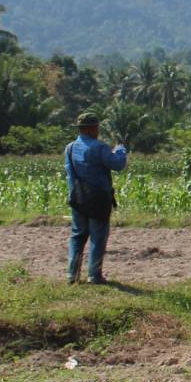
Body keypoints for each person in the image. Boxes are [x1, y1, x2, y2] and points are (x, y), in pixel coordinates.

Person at [64, 111, 128, 285]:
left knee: (77, 236)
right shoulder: (99, 147)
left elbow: (69, 173)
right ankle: (94, 275)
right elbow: (118, 164)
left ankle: (72, 275)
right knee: (97, 237)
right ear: (93, 128)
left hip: (77, 198)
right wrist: (121, 150)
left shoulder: (69, 148)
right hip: (98, 198)